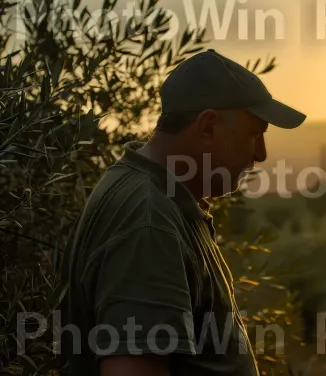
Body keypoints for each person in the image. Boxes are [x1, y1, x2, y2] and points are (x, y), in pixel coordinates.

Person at [60, 49, 306, 376]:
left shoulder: (160, 201)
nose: (260, 153)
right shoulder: (148, 220)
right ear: (207, 127)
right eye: (254, 134)